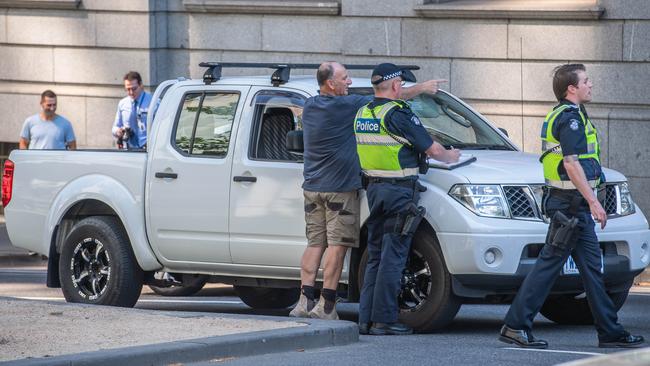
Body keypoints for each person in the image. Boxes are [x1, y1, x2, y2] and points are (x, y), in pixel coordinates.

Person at [499, 64, 644, 349]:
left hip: (573, 207)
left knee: (592, 270)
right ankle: (515, 326)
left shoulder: (573, 114)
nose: (591, 85)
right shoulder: (570, 118)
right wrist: (593, 202)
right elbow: (570, 162)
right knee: (548, 266)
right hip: (569, 206)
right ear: (572, 88)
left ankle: (610, 332)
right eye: (586, 81)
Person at [289, 61, 445, 320]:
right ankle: (326, 307)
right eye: (345, 78)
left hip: (312, 187)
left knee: (315, 243)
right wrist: (421, 88)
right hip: (339, 189)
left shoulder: (311, 106)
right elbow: (385, 96)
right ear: (331, 83)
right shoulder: (346, 105)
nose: (349, 82)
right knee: (337, 246)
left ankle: (304, 301)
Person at [354, 63, 460, 335]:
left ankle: (366, 319)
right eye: (400, 83)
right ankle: (385, 320)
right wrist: (451, 156)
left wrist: (421, 88)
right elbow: (432, 148)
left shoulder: (365, 112)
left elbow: (390, 99)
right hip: (398, 192)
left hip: (374, 191)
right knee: (394, 257)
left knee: (376, 256)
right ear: (396, 85)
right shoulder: (399, 115)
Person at [112, 71, 152, 149]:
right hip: (128, 149)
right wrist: (118, 131)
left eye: (134, 89)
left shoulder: (153, 102)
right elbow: (115, 127)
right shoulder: (123, 103)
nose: (131, 92)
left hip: (148, 149)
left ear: (141, 85)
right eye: (128, 89)